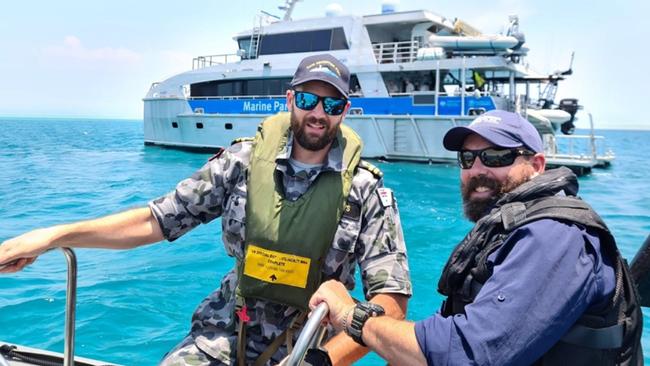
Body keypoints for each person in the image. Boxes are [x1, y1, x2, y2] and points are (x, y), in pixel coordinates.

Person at [0, 53, 412, 365]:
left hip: (308, 350)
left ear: (346, 110)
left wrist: (320, 361)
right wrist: (55, 236)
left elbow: (391, 303)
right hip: (223, 334)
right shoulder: (242, 164)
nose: (318, 113)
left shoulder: (367, 193)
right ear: (290, 99)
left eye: (332, 104)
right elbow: (155, 221)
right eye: (308, 98)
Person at [309, 110, 642, 365]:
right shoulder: (509, 230)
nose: (478, 169)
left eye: (497, 156)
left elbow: (469, 353)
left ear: (537, 164)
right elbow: (447, 330)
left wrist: (352, 316)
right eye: (468, 158)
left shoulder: (555, 238)